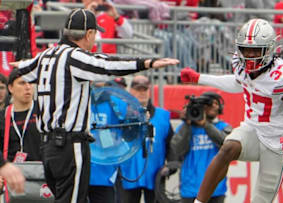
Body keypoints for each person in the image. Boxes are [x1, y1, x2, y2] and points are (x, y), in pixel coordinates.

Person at [10, 8, 179, 203]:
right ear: (89, 34)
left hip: (47, 147)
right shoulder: (74, 56)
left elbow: (24, 69)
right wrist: (148, 62)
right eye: (94, 34)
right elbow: (107, 65)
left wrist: (21, 64)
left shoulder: (45, 56)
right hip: (69, 144)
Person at [180, 18, 283, 203]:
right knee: (228, 147)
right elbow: (238, 83)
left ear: (270, 49)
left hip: (277, 142)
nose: (249, 55)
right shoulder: (240, 65)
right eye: (245, 49)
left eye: (256, 50)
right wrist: (198, 78)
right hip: (253, 130)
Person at [118, 75, 174, 203]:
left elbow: (171, 143)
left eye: (144, 89)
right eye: (138, 89)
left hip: (155, 173)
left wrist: (171, 166)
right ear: (131, 91)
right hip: (127, 174)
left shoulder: (162, 115)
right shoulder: (120, 114)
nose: (142, 93)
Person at [171, 91, 232, 203]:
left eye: (216, 104)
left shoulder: (223, 127)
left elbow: (226, 144)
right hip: (190, 190)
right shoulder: (186, 128)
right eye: (209, 104)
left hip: (216, 190)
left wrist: (205, 125)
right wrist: (187, 124)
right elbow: (176, 149)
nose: (213, 107)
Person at [0, 69, 41, 162]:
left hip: (41, 171)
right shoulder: (3, 116)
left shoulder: (43, 112)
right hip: (11, 173)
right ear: (10, 88)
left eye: (31, 83)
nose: (28, 87)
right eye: (22, 83)